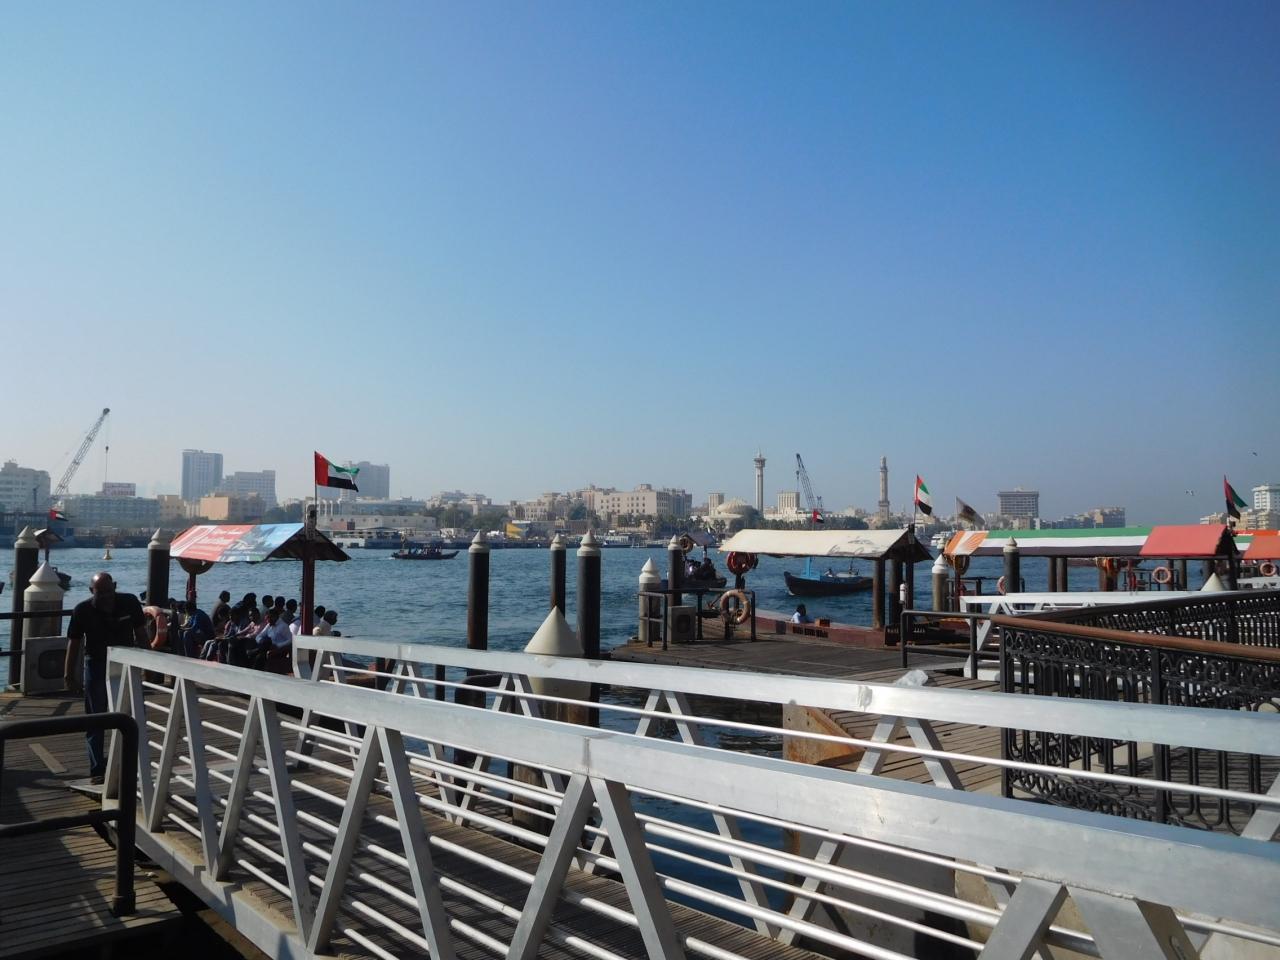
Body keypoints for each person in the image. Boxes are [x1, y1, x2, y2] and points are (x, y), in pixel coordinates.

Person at [65, 572, 148, 783]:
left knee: (132, 714)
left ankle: (130, 764)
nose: (105, 596)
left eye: (109, 591)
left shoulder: (130, 602)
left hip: (127, 664)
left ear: (115, 587)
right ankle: (97, 769)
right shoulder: (82, 610)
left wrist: (149, 665)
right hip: (96, 664)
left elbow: (141, 633)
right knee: (96, 718)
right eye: (100, 592)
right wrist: (69, 675)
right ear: (91, 591)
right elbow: (74, 643)